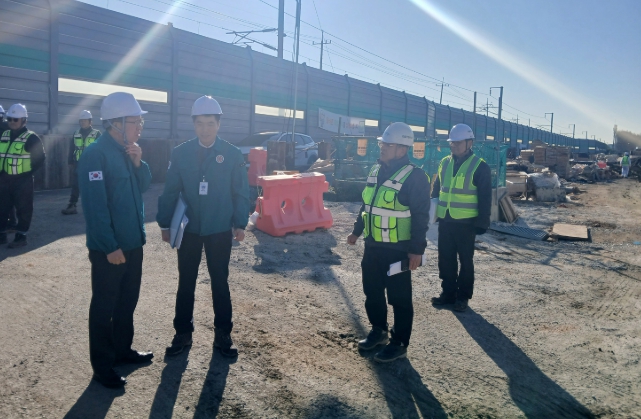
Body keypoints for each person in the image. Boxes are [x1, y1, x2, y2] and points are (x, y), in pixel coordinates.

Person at [157, 96, 249, 358]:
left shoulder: (232, 154)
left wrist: (240, 223)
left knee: (220, 281)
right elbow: (170, 190)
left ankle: (223, 334)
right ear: (193, 124)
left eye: (210, 123)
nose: (205, 129)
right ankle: (182, 333)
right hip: (189, 228)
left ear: (218, 124)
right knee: (186, 281)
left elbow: (240, 192)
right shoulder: (181, 153)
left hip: (219, 228)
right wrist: (165, 223)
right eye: (199, 123)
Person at [77, 92, 153, 388]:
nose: (139, 127)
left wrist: (138, 162)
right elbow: (95, 207)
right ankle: (103, 366)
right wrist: (110, 246)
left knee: (127, 301)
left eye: (140, 122)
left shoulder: (127, 150)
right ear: (117, 123)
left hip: (133, 243)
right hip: (111, 249)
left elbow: (144, 185)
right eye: (135, 122)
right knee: (104, 307)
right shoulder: (95, 155)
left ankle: (122, 350)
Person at [347, 122, 431, 363]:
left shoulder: (416, 177)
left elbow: (421, 216)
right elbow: (367, 205)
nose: (382, 148)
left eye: (388, 145)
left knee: (399, 298)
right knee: (372, 291)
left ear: (402, 149)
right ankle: (379, 330)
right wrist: (357, 231)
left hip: (399, 250)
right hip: (373, 246)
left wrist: (416, 250)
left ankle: (399, 342)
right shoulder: (376, 170)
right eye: (381, 144)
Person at [431, 123, 491, 312]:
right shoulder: (444, 163)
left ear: (469, 143)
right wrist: (432, 209)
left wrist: (482, 222)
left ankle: (463, 297)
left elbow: (485, 197)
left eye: (458, 142)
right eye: (452, 142)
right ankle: (448, 293)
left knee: (465, 261)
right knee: (445, 259)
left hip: (467, 223)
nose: (454, 145)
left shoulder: (480, 166)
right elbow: (437, 188)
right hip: (446, 219)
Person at [0, 104, 46, 248]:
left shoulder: (31, 138)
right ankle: (1, 235)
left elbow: (40, 158)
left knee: (23, 210)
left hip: (22, 181)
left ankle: (21, 237)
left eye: (16, 119)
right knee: (2, 208)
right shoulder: (4, 135)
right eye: (10, 119)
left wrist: (27, 174)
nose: (12, 122)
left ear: (24, 120)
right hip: (4, 179)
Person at [62, 110, 101, 215]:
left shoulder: (97, 134)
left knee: (94, 185)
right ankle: (72, 205)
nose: (82, 122)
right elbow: (72, 147)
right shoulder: (76, 133)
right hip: (78, 163)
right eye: (81, 120)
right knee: (76, 185)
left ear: (90, 121)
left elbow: (101, 149)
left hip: (93, 165)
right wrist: (70, 160)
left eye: (85, 120)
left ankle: (96, 206)